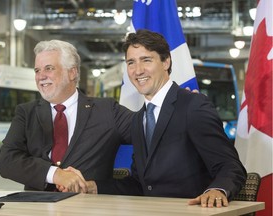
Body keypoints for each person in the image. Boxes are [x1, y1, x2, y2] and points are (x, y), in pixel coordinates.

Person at [70, 29, 247, 208]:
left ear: (165, 62)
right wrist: (94, 187)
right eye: (131, 62)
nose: (138, 70)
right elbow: (140, 184)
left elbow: (230, 166)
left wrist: (217, 190)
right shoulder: (139, 119)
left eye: (146, 60)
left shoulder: (193, 106)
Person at [0, 40, 133, 192]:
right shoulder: (27, 113)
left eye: (49, 68)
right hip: (38, 209)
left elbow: (149, 134)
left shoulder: (107, 110)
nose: (41, 77)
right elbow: (6, 161)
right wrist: (55, 174)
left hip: (88, 208)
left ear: (72, 72)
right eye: (37, 70)